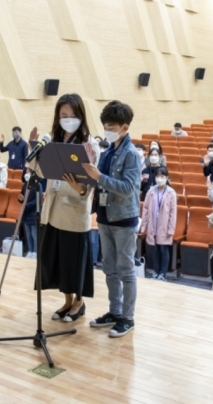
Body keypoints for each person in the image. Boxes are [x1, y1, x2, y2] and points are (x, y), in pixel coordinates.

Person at [28, 93, 99, 323]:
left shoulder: (89, 144)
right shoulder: (53, 142)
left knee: (73, 261)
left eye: (72, 115)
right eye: (63, 115)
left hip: (74, 211)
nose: (68, 119)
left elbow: (91, 181)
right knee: (59, 260)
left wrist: (80, 188)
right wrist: (32, 148)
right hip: (53, 210)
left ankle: (79, 302)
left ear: (81, 116)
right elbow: (41, 171)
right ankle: (67, 301)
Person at [83, 100, 141, 338]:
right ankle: (115, 312)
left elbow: (127, 188)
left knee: (126, 270)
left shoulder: (132, 154)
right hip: (105, 216)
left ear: (125, 127)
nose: (107, 130)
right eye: (105, 126)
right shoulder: (106, 153)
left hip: (124, 218)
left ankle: (127, 317)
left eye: (112, 126)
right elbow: (98, 181)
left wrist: (99, 177)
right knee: (109, 269)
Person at [139, 166, 176, 282]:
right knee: (155, 249)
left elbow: (173, 213)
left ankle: (163, 273)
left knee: (163, 249)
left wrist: (171, 229)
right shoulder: (151, 191)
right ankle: (156, 271)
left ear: (167, 178)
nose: (159, 178)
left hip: (164, 225)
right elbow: (145, 208)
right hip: (153, 224)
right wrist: (144, 225)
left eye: (162, 176)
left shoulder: (171, 193)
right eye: (157, 176)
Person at [18, 168, 42, 259]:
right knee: (28, 234)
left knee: (34, 234)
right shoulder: (25, 185)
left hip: (34, 213)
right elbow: (22, 198)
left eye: (29, 172)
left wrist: (25, 205)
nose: (27, 173)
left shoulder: (38, 185)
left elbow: (37, 201)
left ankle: (35, 252)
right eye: (26, 171)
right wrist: (20, 199)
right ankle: (30, 251)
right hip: (26, 213)